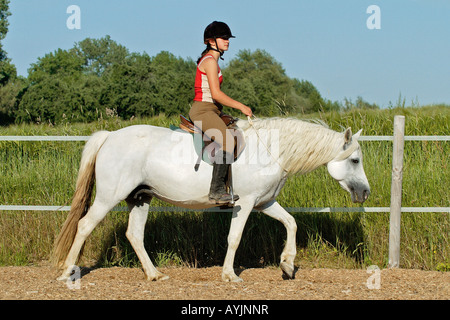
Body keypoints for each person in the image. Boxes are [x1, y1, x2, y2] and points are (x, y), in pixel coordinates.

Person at [189, 21, 252, 205]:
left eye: (228, 38)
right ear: (210, 41)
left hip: (213, 110)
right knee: (226, 140)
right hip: (203, 110)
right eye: (223, 38)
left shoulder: (213, 61)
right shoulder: (209, 62)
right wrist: (241, 106)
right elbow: (216, 94)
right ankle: (216, 191)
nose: (227, 41)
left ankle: (229, 187)